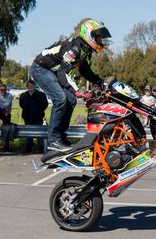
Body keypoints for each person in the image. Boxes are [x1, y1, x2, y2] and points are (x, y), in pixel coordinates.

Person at [31, 19, 111, 152]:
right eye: (98, 37)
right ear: (89, 35)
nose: (100, 41)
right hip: (41, 68)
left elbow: (84, 70)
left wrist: (99, 81)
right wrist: (78, 90)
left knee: (71, 100)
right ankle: (53, 140)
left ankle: (61, 136)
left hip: (52, 71)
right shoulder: (74, 49)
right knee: (60, 99)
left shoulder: (85, 50)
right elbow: (62, 73)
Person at [19, 80, 48, 153]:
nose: (30, 87)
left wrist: (39, 111)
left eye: (32, 85)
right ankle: (29, 147)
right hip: (27, 117)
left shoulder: (41, 95)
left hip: (38, 117)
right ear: (27, 86)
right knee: (28, 134)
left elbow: (45, 104)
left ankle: (41, 148)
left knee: (40, 134)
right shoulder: (23, 95)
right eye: (29, 86)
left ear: (34, 86)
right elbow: (21, 104)